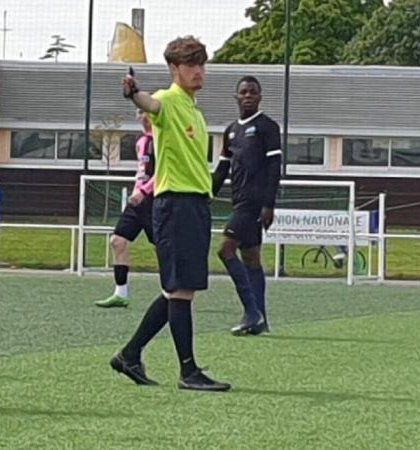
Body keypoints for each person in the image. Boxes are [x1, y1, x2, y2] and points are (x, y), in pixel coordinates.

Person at [111, 36, 231, 392]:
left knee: (177, 290)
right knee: (180, 290)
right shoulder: (168, 99)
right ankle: (188, 371)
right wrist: (134, 94)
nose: (198, 71)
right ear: (174, 69)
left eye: (200, 64)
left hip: (194, 205)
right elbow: (151, 103)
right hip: (175, 204)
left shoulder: (194, 109)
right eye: (190, 65)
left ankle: (129, 355)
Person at [212, 76, 282, 336]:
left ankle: (251, 312)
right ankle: (260, 318)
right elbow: (221, 169)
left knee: (225, 249)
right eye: (244, 92)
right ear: (236, 97)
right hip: (238, 201)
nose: (248, 96)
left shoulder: (267, 127)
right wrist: (206, 195)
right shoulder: (231, 130)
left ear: (260, 97)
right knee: (251, 259)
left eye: (253, 92)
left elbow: (275, 168)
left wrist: (269, 204)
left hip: (254, 203)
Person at [95, 109, 154, 308]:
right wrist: (137, 191)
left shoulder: (163, 140)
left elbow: (166, 172)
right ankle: (121, 293)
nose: (142, 116)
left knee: (163, 248)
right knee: (117, 241)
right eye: (139, 112)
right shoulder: (141, 142)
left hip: (156, 201)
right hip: (137, 202)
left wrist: (144, 191)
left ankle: (175, 292)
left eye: (145, 112)